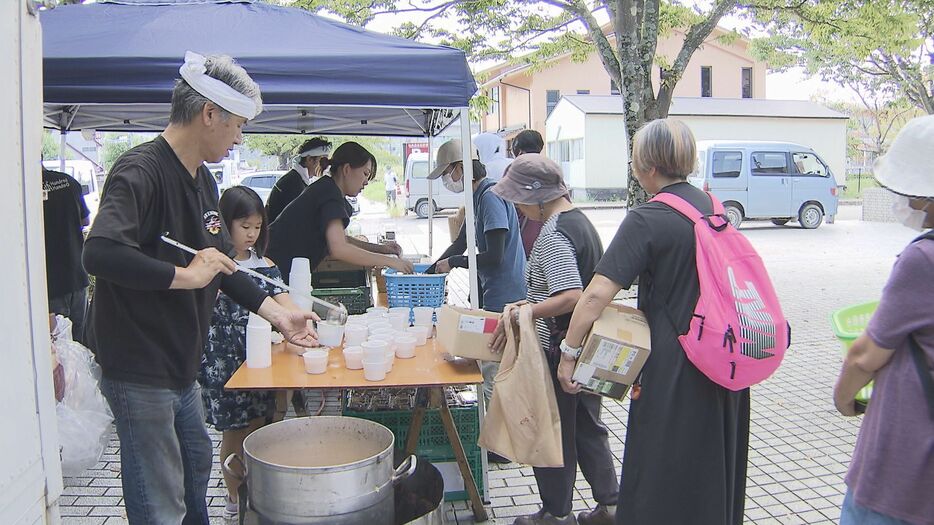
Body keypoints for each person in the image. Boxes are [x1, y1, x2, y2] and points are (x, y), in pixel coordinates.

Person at [82, 52, 318, 525]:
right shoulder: (141, 171)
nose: (238, 138)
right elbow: (100, 252)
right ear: (209, 114)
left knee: (195, 470)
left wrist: (276, 312)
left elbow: (221, 266)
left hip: (179, 365)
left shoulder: (202, 180)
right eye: (236, 126)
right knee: (160, 495)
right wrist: (183, 276)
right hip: (139, 364)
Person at [560, 119, 749, 525]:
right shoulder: (714, 208)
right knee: (711, 464)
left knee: (660, 467)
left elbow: (594, 295)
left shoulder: (647, 217)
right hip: (722, 356)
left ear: (646, 165)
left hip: (674, 368)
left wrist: (568, 353)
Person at [489, 154, 619, 525]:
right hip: (588, 349)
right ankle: (611, 507)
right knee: (588, 429)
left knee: (550, 432)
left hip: (563, 350)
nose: (515, 205)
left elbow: (572, 294)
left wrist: (526, 311)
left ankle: (555, 513)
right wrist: (528, 301)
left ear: (537, 195)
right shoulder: (581, 222)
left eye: (517, 198)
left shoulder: (553, 233)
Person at [833, 115, 934, 525]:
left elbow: (864, 355)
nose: (905, 202)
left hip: (904, 464)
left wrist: (844, 400)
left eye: (910, 193)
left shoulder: (922, 260)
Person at [199, 186, 301, 520]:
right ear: (224, 224)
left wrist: (301, 321)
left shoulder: (266, 264)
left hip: (259, 361)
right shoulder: (212, 263)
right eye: (244, 226)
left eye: (257, 226)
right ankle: (232, 497)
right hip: (223, 361)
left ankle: (257, 493)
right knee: (234, 429)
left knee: (260, 425)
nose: (252, 234)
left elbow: (285, 303)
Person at [430, 139, 526, 462]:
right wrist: (432, 268)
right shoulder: (477, 199)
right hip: (493, 294)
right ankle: (497, 442)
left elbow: (495, 256)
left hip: (506, 297)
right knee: (491, 370)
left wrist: (453, 264)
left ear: (460, 168)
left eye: (447, 172)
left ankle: (500, 449)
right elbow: (461, 242)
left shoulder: (491, 198)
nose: (447, 179)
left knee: (494, 373)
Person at [267, 141, 414, 280]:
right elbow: (339, 248)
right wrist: (390, 261)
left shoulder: (327, 188)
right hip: (272, 270)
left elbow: (342, 240)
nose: (366, 182)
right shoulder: (329, 193)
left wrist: (381, 249)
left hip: (280, 268)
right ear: (346, 169)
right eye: (365, 173)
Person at [42, 166, 91, 343]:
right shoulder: (69, 181)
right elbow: (85, 220)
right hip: (77, 273)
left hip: (50, 283)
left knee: (58, 345)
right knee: (82, 341)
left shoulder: (27, 187)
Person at [266, 137, 331, 223]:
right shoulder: (293, 184)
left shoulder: (296, 179)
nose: (326, 166)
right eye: (323, 161)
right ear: (309, 160)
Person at [510, 130, 547, 256]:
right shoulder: (551, 170)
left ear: (519, 152)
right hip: (550, 244)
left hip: (523, 246)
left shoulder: (513, 171)